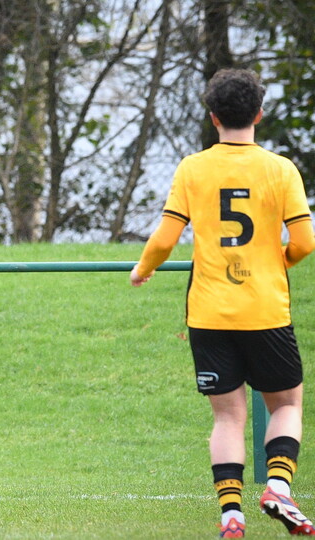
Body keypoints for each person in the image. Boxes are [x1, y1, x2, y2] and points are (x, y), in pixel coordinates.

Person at [130, 69, 315, 538]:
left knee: (228, 415)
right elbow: (306, 242)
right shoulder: (281, 169)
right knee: (288, 404)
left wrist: (143, 268)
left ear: (213, 117)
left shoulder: (193, 168)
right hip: (265, 311)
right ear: (258, 113)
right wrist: (281, 260)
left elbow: (166, 237)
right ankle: (277, 486)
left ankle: (232, 516)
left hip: (208, 314)